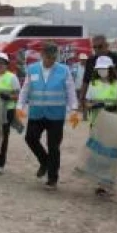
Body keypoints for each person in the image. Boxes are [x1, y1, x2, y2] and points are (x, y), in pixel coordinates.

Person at [17, 43, 81, 189]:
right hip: (37, 112)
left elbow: (70, 90)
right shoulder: (32, 69)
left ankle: (52, 178)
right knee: (30, 138)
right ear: (42, 55)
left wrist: (74, 110)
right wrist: (19, 106)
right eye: (48, 57)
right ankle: (44, 161)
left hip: (56, 114)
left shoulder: (64, 70)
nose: (50, 60)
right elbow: (26, 88)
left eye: (53, 58)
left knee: (53, 146)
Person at [81, 36, 117, 112]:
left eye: (100, 47)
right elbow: (86, 80)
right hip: (96, 100)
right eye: (94, 47)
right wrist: (82, 98)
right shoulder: (90, 61)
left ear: (107, 46)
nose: (97, 49)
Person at [85, 56, 117, 127]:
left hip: (113, 121)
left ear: (110, 69)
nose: (102, 70)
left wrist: (114, 107)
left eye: (104, 68)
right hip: (96, 121)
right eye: (100, 68)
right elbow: (87, 103)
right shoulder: (93, 83)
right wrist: (93, 106)